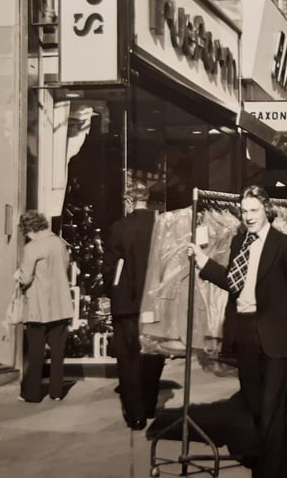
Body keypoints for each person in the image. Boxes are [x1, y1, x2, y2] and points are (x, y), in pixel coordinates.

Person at [188, 185, 287, 478]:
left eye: (253, 210)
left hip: (278, 336)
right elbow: (233, 281)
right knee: (255, 407)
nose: (248, 216)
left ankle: (271, 472)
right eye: (244, 211)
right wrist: (204, 263)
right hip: (246, 333)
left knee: (270, 409)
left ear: (266, 209)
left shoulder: (284, 243)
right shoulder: (240, 241)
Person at [102, 182, 164, 431]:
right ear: (147, 199)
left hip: (127, 304)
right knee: (153, 354)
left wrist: (112, 292)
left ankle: (136, 413)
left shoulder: (119, 228)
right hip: (154, 302)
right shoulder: (161, 227)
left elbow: (108, 267)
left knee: (128, 359)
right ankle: (149, 404)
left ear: (129, 200)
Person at [15, 210, 74, 403]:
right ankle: (56, 392)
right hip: (61, 305)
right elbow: (64, 268)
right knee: (58, 352)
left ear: (29, 228)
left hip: (38, 307)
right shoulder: (59, 243)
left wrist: (18, 277)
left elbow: (26, 277)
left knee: (36, 352)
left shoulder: (32, 247)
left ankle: (32, 393)